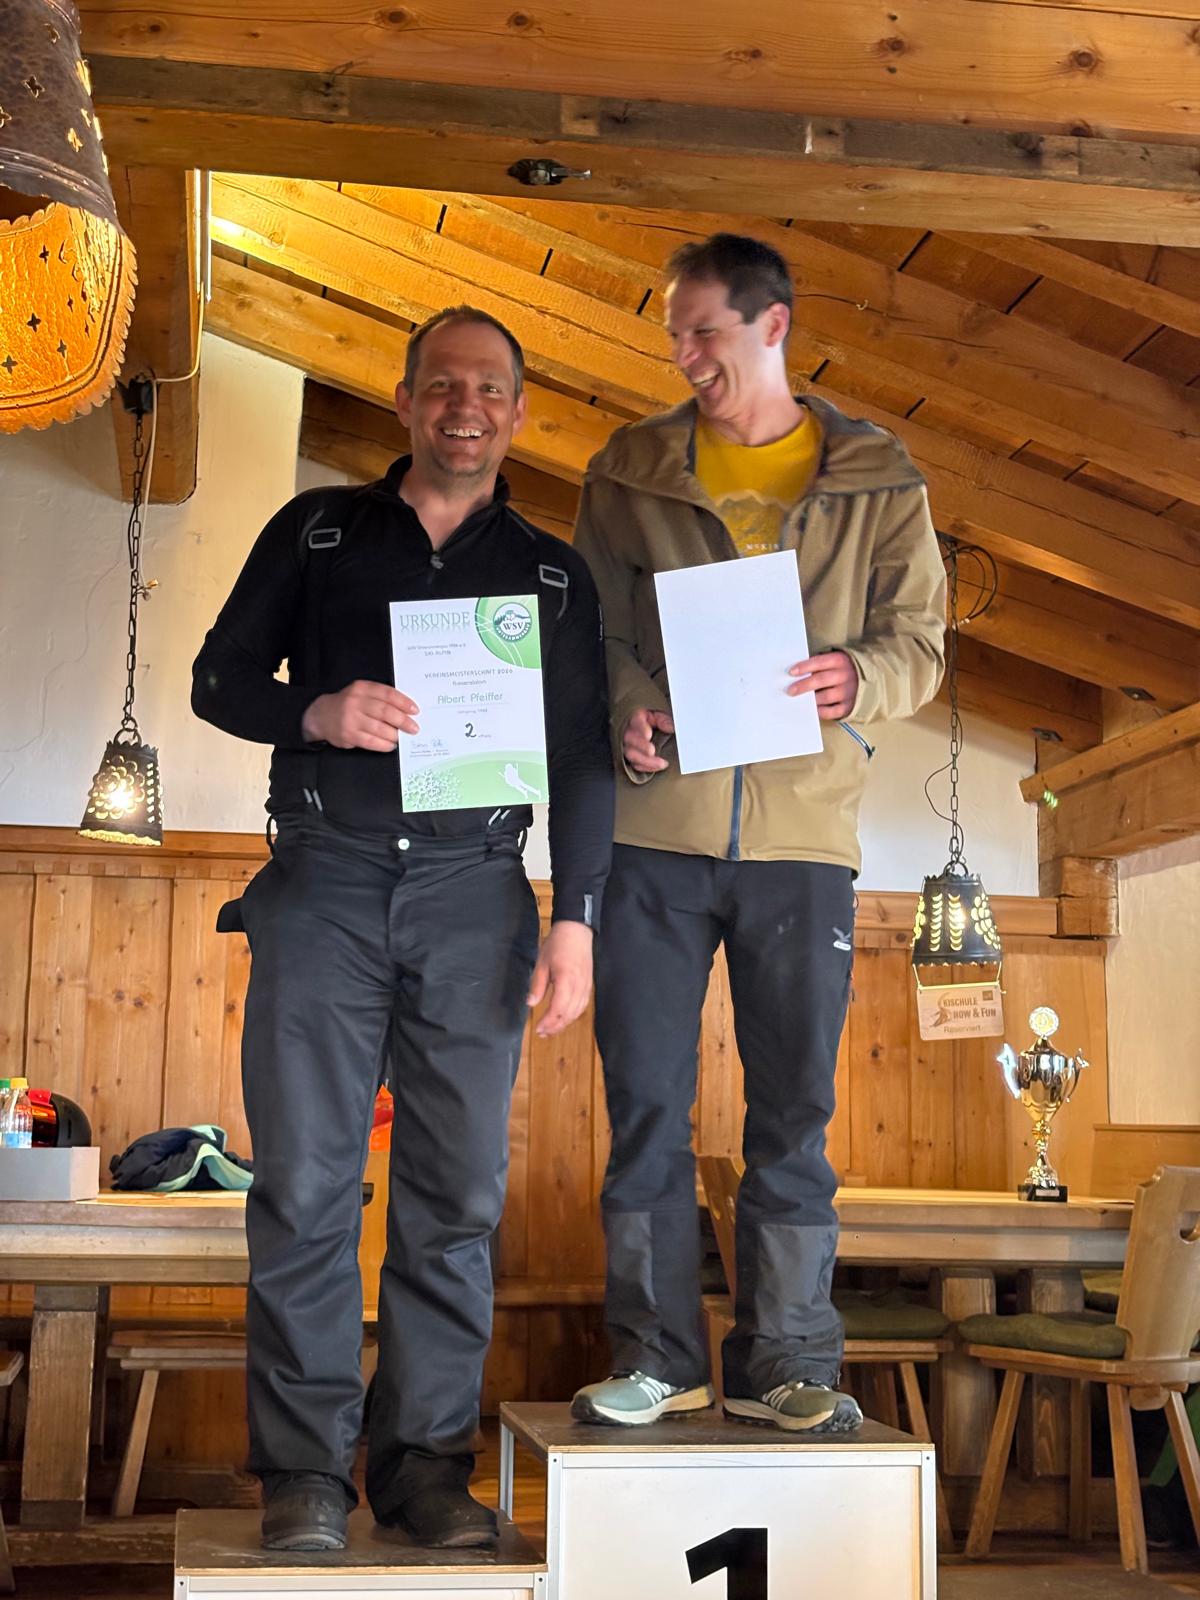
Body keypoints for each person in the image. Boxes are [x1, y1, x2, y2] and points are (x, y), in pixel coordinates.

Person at [192, 308, 613, 1551]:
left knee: (455, 1195)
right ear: (405, 400)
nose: (463, 406)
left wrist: (578, 918)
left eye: (488, 389)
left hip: (480, 895)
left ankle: (424, 1469)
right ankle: (305, 1478)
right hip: (322, 880)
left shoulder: (553, 576)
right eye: (442, 385)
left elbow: (586, 760)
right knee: (304, 1187)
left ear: (518, 412)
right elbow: (219, 678)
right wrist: (315, 713)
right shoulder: (315, 530)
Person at [570, 234, 946, 1434]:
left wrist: (858, 675)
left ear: (774, 324)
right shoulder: (626, 470)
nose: (686, 356)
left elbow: (922, 645)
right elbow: (594, 630)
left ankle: (787, 1361)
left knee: (793, 1111)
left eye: (706, 333)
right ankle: (657, 1358)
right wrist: (629, 708)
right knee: (645, 1103)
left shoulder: (882, 477)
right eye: (675, 335)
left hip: (803, 841)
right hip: (654, 835)